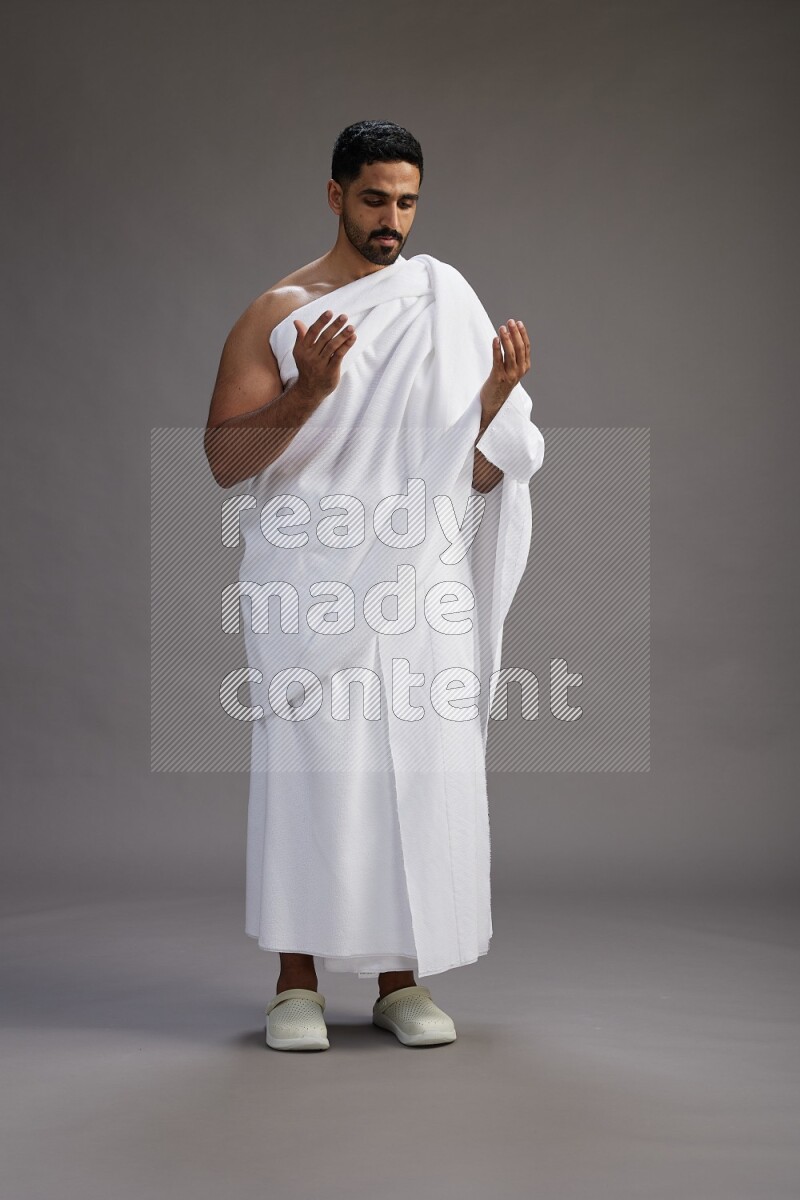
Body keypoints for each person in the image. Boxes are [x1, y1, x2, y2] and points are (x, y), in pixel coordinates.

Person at [204, 120, 544, 1051]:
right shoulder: (278, 310)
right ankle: (295, 986)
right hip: (312, 578)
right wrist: (305, 395)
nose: (392, 220)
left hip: (415, 580)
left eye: (406, 202)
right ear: (333, 195)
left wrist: (482, 415)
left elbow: (473, 480)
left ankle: (402, 981)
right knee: (312, 771)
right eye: (373, 199)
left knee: (416, 770)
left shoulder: (443, 303)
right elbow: (225, 459)